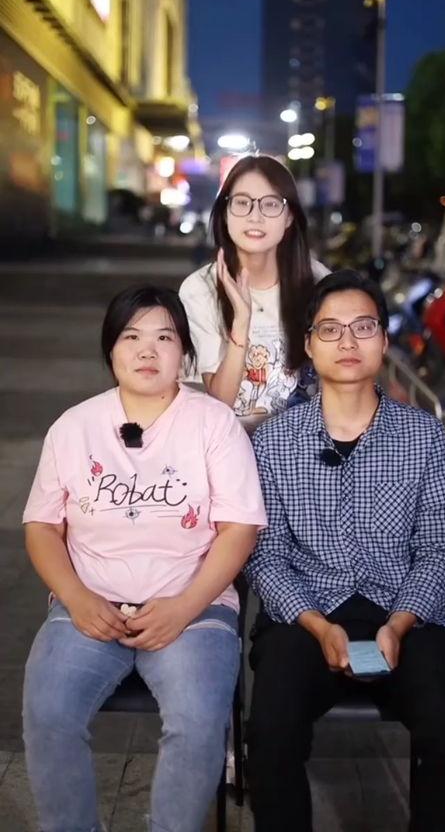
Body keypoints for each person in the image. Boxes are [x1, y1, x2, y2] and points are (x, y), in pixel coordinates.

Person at [244, 269, 445, 832]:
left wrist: (399, 625)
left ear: (384, 339)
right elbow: (265, 555)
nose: (348, 341)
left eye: (363, 327)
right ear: (308, 345)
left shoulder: (423, 436)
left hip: (406, 615)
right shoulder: (274, 441)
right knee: (269, 737)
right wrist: (318, 625)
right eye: (330, 329)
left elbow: (441, 546)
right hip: (304, 618)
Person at [22, 285, 267, 832]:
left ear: (185, 353)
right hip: (89, 607)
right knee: (48, 715)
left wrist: (183, 608)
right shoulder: (74, 426)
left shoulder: (213, 423)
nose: (147, 351)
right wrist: (77, 598)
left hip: (194, 609)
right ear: (111, 349)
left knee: (198, 722)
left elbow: (239, 529)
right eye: (131, 337)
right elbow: (42, 527)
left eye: (165, 337)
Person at [179, 154, 329, 424]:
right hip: (233, 443)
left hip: (306, 443)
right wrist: (242, 320)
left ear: (289, 216)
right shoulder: (199, 289)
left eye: (270, 204)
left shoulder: (317, 280)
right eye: (242, 203)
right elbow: (219, 403)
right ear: (225, 213)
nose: (255, 216)